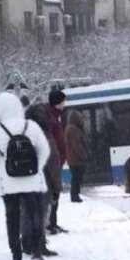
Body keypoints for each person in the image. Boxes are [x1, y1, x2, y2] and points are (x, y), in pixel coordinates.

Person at [0, 91, 51, 260]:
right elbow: (44, 150)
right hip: (31, 179)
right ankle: (36, 250)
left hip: (8, 181)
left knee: (11, 217)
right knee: (34, 214)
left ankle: (16, 256)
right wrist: (36, 168)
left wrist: (0, 172)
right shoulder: (31, 126)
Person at [25, 103, 61, 258]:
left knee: (26, 213)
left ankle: (26, 243)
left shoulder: (21, 136)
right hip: (42, 182)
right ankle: (39, 246)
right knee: (40, 214)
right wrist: (57, 188)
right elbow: (53, 165)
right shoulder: (46, 138)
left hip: (23, 181)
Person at [45, 88, 69, 234]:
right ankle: (49, 224)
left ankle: (53, 222)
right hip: (52, 162)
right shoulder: (51, 118)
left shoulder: (55, 117)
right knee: (53, 193)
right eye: (63, 100)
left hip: (56, 161)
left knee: (56, 193)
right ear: (57, 102)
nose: (65, 103)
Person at [66, 109, 90, 203]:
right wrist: (84, 155)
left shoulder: (75, 128)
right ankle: (74, 196)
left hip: (76, 159)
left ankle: (76, 195)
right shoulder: (72, 129)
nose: (81, 120)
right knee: (76, 178)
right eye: (80, 118)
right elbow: (76, 145)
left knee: (77, 178)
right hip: (75, 159)